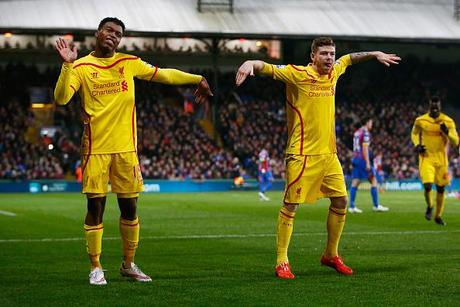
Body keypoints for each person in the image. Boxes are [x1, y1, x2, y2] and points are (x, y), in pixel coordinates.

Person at [54, 17, 212, 285]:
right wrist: (67, 64)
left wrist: (197, 77)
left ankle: (128, 264)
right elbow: (61, 98)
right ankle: (96, 267)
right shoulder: (80, 67)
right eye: (109, 30)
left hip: (126, 150)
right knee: (96, 207)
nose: (113, 36)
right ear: (98, 33)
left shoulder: (128, 62)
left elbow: (164, 74)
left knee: (130, 208)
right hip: (96, 149)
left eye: (118, 33)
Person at [236, 37, 400, 279]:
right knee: (291, 205)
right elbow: (266, 68)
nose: (329, 58)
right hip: (301, 154)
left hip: (328, 154)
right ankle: (282, 260)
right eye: (324, 53)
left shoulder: (334, 72)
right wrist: (250, 62)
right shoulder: (297, 74)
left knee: (341, 202)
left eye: (331, 53)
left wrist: (375, 52)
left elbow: (350, 59)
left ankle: (330, 255)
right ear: (313, 56)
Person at [411, 96, 459, 226]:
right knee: (427, 185)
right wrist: (417, 145)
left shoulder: (447, 121)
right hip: (426, 157)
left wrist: (447, 133)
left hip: (441, 160)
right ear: (429, 107)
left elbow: (456, 142)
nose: (435, 110)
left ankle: (438, 216)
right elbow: (414, 133)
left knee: (441, 189)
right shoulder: (421, 120)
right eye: (433, 107)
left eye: (437, 108)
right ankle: (430, 206)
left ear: (440, 107)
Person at [348, 118, 389, 213]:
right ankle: (376, 205)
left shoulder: (357, 132)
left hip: (355, 159)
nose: (372, 124)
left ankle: (352, 206)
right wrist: (367, 162)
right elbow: (365, 148)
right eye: (371, 122)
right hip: (362, 159)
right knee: (373, 179)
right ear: (367, 123)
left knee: (356, 181)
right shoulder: (365, 133)